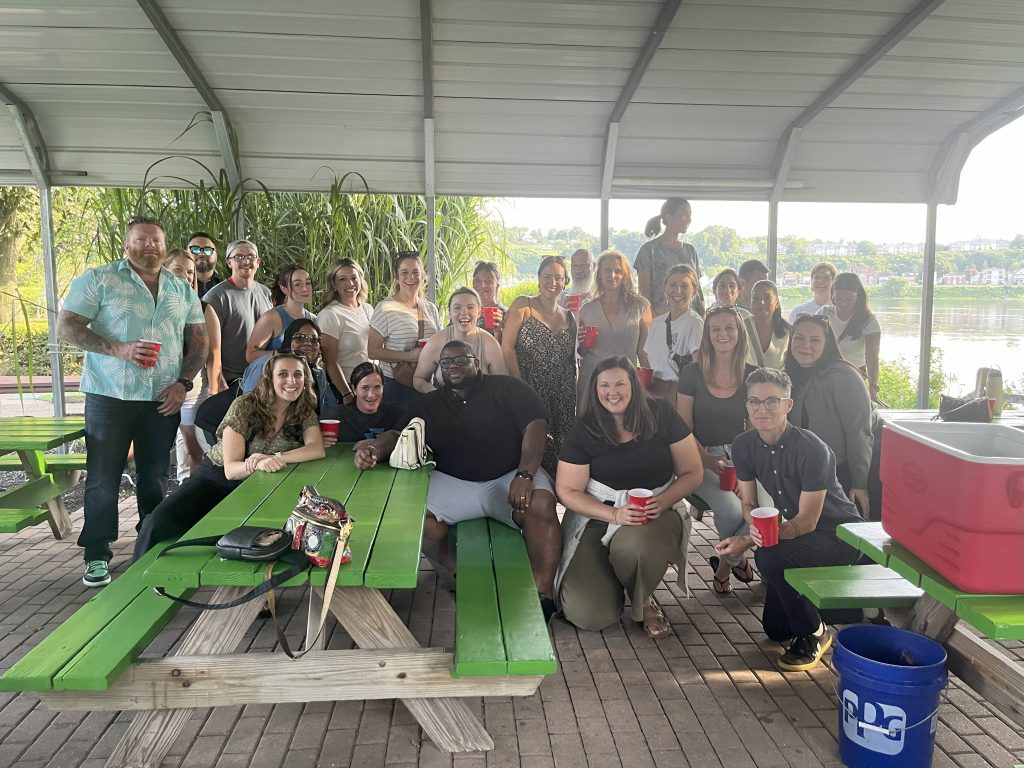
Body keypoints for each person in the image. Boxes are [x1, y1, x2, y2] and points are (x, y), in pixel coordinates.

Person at [354, 340, 563, 620]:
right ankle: (462, 574)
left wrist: (525, 474)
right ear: (439, 370)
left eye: (461, 359)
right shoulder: (429, 404)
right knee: (412, 517)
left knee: (541, 505)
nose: (454, 366)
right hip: (453, 482)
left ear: (476, 361)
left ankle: (543, 591)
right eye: (446, 363)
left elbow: (536, 427)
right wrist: (373, 450)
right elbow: (397, 435)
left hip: (507, 477)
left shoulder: (509, 389)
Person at [57, 216, 208, 587]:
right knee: (102, 479)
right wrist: (118, 349)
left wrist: (183, 383)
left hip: (162, 399)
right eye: (141, 240)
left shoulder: (181, 288)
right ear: (127, 246)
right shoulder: (100, 279)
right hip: (110, 395)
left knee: (155, 476)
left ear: (165, 244)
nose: (149, 246)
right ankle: (96, 554)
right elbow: (67, 327)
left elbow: (200, 341)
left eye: (156, 240)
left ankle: (150, 542)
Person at [714, 367, 863, 671]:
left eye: (771, 401)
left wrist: (747, 540)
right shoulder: (743, 444)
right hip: (802, 533)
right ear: (746, 406)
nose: (762, 409)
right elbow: (750, 501)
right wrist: (754, 526)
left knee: (769, 554)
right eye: (754, 402)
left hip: (840, 534)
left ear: (788, 405)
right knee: (776, 631)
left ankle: (815, 632)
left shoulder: (812, 449)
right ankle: (814, 615)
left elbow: (808, 521)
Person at [555, 357, 702, 637]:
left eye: (620, 383)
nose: (613, 392)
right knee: (587, 614)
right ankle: (612, 578)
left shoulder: (661, 413)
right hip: (600, 513)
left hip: (654, 511)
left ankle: (642, 600)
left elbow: (692, 471)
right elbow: (567, 490)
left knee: (635, 547)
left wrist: (665, 500)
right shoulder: (585, 427)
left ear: (634, 385)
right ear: (594, 389)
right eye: (605, 385)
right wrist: (613, 515)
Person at [133, 351, 326, 558]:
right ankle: (134, 583)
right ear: (270, 379)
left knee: (270, 539)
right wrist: (258, 464)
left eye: (298, 374)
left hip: (259, 486)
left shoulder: (303, 410)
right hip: (214, 480)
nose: (291, 381)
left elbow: (316, 449)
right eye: (283, 374)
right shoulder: (245, 405)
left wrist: (276, 457)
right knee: (156, 522)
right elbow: (231, 470)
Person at [676, 306, 761, 594]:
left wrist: (744, 472)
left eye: (729, 328)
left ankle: (725, 565)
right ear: (707, 335)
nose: (723, 334)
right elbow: (682, 428)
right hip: (698, 456)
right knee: (731, 510)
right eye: (716, 329)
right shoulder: (692, 373)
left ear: (740, 333)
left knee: (771, 507)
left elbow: (755, 432)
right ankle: (736, 560)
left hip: (742, 457)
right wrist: (710, 461)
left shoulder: (753, 375)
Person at [784, 315, 880, 520]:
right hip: (817, 469)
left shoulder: (842, 375)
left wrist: (859, 483)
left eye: (815, 340)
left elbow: (859, 433)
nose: (805, 345)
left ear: (827, 344)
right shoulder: (789, 377)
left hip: (852, 466)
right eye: (799, 338)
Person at [503, 257, 577, 477]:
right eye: (547, 276)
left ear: (565, 283)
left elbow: (571, 359)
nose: (552, 282)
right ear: (538, 279)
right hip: (531, 390)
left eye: (558, 277)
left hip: (563, 395)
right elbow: (507, 348)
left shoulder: (570, 317)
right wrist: (521, 387)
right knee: (531, 446)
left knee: (563, 449)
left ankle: (563, 498)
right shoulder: (523, 305)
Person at [577, 249, 652, 408]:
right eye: (607, 270)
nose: (612, 274)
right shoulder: (587, 309)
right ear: (599, 275)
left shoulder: (641, 306)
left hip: (625, 380)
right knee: (590, 428)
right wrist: (582, 343)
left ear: (625, 274)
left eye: (618, 270)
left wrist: (646, 385)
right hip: (592, 378)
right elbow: (582, 352)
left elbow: (644, 352)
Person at [367, 251, 442, 409]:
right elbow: (372, 351)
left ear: (423, 276)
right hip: (397, 385)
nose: (411, 277)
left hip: (426, 382)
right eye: (405, 272)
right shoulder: (385, 308)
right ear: (396, 276)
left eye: (416, 272)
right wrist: (408, 356)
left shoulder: (430, 308)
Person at [163, 249, 210, 480]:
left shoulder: (200, 307)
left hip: (190, 389)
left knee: (195, 450)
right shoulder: (154, 305)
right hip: (158, 389)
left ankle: (193, 498)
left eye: (190, 272)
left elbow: (208, 350)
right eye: (178, 269)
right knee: (158, 453)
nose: (185, 275)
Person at [241, 318, 341, 422]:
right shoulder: (266, 364)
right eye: (300, 338)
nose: (308, 343)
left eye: (314, 340)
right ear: (288, 340)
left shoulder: (318, 373)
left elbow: (330, 410)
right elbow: (248, 408)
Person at [202, 239, 273, 385]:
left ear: (258, 262)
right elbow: (210, 348)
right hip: (232, 379)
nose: (246, 261)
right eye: (239, 257)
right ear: (229, 263)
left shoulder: (266, 293)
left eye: (251, 257)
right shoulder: (216, 297)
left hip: (265, 377)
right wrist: (217, 382)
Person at [414, 287, 506, 393]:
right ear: (450, 313)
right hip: (445, 405)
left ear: (479, 312)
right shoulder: (436, 342)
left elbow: (501, 385)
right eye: (457, 308)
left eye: (470, 307)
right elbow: (418, 379)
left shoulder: (490, 344)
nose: (464, 313)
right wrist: (437, 396)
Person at [816, 272, 883, 403]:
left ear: (858, 297)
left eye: (849, 299)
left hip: (854, 376)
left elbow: (872, 359)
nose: (843, 303)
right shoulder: (824, 313)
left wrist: (873, 388)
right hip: (824, 375)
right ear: (832, 295)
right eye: (838, 298)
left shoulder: (869, 321)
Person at [642, 264, 703, 401]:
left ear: (694, 291)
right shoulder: (657, 322)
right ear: (665, 289)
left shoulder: (694, 322)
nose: (678, 291)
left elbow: (698, 364)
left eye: (685, 286)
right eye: (673, 285)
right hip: (652, 389)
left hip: (678, 390)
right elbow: (646, 358)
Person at [634, 198, 704, 315]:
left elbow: (698, 289)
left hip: (692, 318)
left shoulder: (690, 250)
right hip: (662, 316)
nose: (689, 219)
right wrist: (654, 320)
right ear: (669, 217)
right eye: (684, 214)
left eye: (690, 215)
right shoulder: (649, 250)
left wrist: (703, 315)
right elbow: (643, 291)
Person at [318, 257, 372, 403]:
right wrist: (347, 394)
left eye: (354, 278)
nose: (350, 283)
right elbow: (330, 361)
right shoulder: (330, 315)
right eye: (342, 279)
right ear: (334, 284)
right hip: (346, 389)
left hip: (371, 387)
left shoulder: (368, 310)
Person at [245, 265, 316, 365]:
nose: (305, 288)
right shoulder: (272, 318)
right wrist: (283, 354)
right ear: (284, 289)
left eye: (308, 283)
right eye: (297, 284)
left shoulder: (313, 319)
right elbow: (251, 355)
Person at [333, 362, 403, 442]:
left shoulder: (396, 416)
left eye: (377, 387)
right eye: (365, 388)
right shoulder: (337, 417)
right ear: (354, 389)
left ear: (383, 388)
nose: (371, 395)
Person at [745, 280, 789, 369]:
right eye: (756, 298)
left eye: (767, 298)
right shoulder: (740, 328)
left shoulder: (788, 331)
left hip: (779, 382)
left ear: (777, 303)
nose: (761, 303)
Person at [472, 260, 506, 342]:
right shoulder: (466, 309)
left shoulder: (505, 315)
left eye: (488, 281)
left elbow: (507, 350)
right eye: (477, 280)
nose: (482, 285)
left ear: (497, 286)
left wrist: (498, 331)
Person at [559, 248, 594, 316]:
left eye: (583, 265)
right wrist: (563, 315)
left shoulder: (602, 296)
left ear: (594, 266)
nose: (578, 270)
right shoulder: (562, 297)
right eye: (574, 265)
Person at [188, 232, 221, 299]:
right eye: (195, 249)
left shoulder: (227, 286)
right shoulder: (176, 287)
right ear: (186, 253)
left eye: (207, 250)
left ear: (216, 255)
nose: (201, 254)